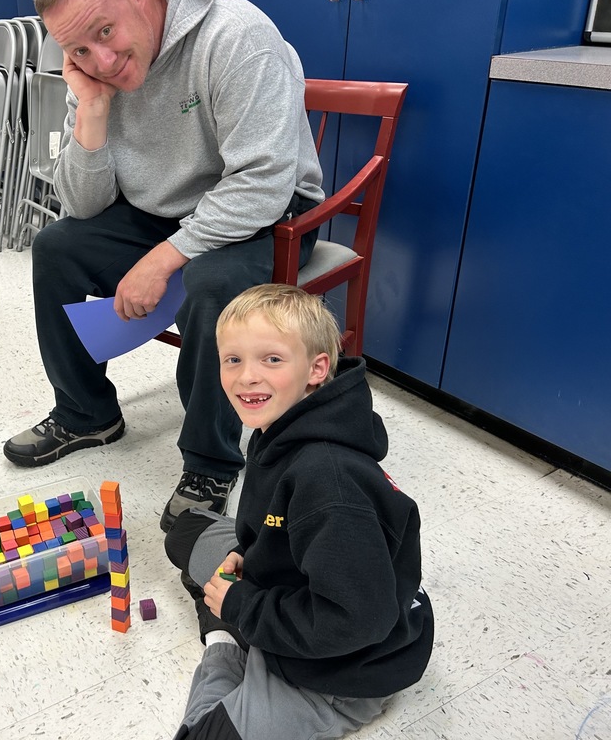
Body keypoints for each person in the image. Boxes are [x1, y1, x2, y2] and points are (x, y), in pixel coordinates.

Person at [2, 0, 325, 533]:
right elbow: (82, 205)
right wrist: (92, 108)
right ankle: (86, 413)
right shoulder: (92, 71)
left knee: (212, 285)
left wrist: (164, 258)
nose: (101, 60)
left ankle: (210, 463)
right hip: (162, 209)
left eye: (105, 32)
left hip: (265, 213)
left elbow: (263, 181)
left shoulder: (235, 35)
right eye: (79, 49)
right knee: (56, 246)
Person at [162, 284, 434, 739]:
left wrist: (240, 607)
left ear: (317, 369)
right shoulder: (282, 420)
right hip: (298, 585)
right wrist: (246, 556)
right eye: (233, 359)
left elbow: (357, 621)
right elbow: (280, 526)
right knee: (184, 533)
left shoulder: (328, 481)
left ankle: (226, 638)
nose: (247, 377)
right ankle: (239, 618)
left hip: (343, 668)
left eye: (271, 359)